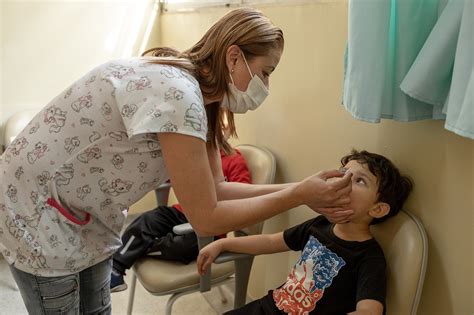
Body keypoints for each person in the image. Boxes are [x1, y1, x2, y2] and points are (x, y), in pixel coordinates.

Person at [0, 7, 353, 314]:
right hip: (36, 208)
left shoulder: (200, 98)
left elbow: (217, 188)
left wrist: (302, 187)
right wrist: (301, 195)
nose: (265, 85)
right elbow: (205, 215)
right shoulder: (178, 95)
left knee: (96, 306)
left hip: (85, 208)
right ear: (233, 58)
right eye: (266, 72)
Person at [197, 150, 413, 315]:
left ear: (377, 209)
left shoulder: (369, 257)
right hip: (271, 307)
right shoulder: (318, 225)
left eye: (359, 180)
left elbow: (369, 310)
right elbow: (271, 242)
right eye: (344, 173)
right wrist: (223, 244)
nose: (344, 181)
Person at [110, 145, 251, 292]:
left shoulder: (234, 160)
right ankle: (116, 269)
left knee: (184, 246)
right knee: (147, 220)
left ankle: (141, 247)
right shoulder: (194, 156)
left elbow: (243, 197)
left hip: (211, 229)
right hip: (182, 212)